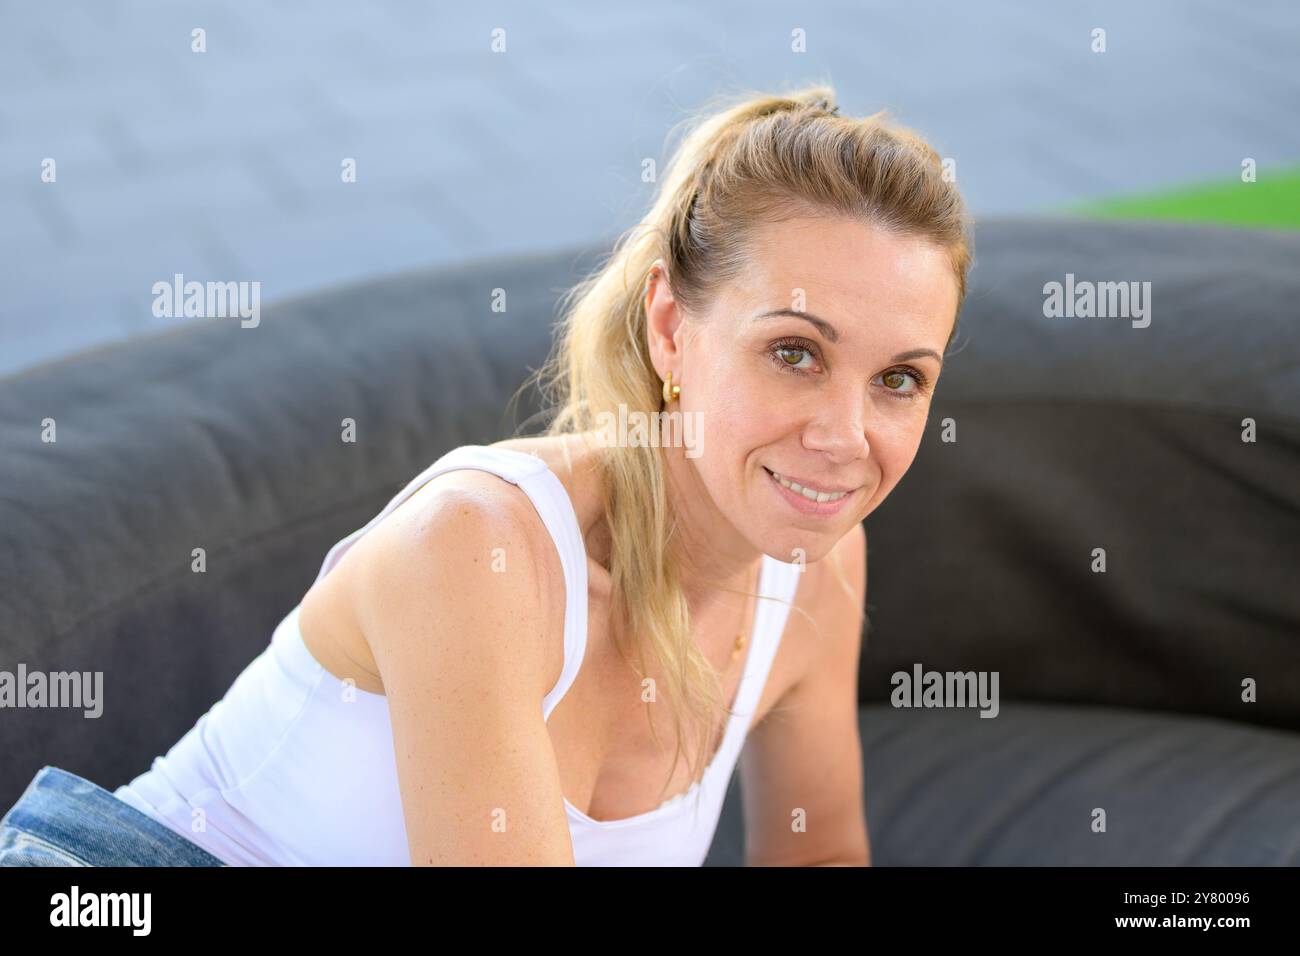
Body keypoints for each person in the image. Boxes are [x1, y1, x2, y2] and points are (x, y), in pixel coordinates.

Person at [0, 83, 971, 866]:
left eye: (898, 379)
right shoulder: (477, 546)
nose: (846, 435)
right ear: (671, 327)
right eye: (795, 352)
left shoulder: (823, 567)